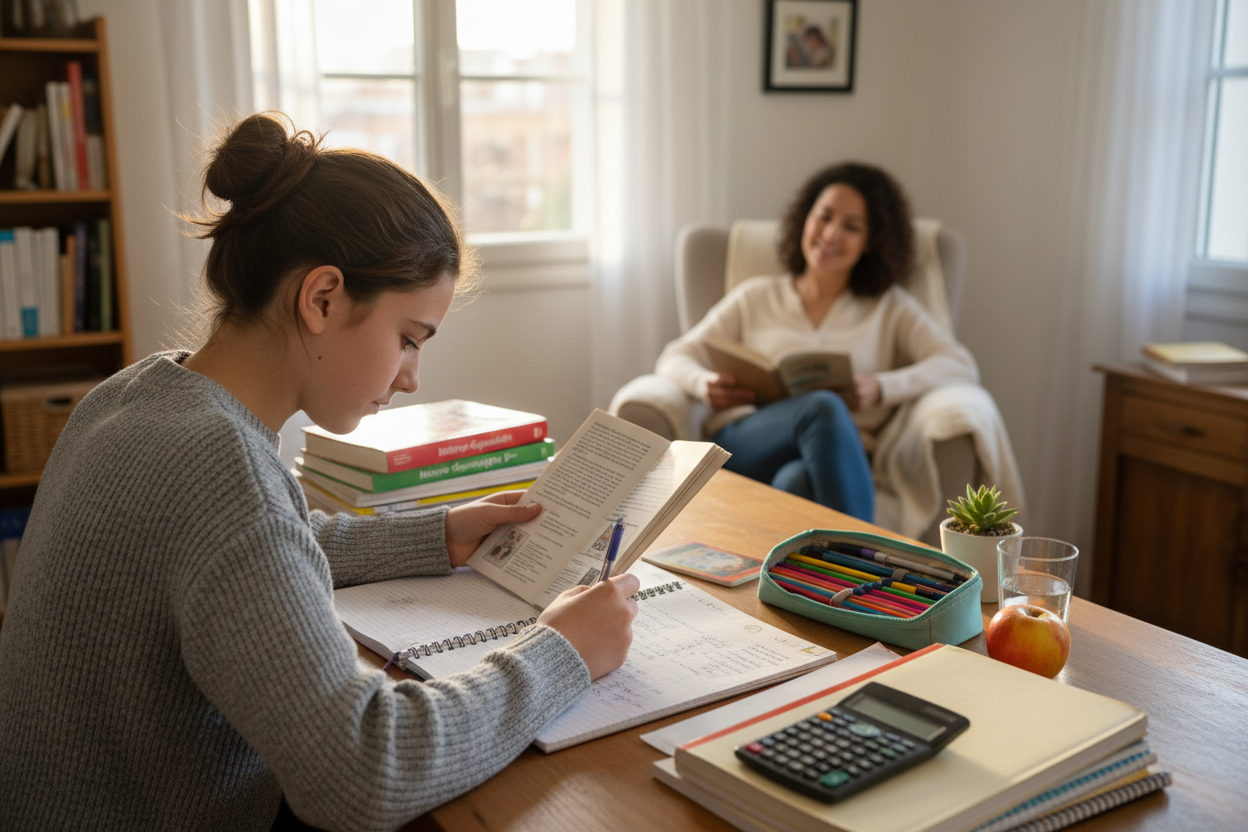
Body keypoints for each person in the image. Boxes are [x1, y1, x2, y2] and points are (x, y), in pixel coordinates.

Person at [0, 112, 640, 832]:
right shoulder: (219, 473)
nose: (411, 378)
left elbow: (257, 550)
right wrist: (562, 654)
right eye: (408, 339)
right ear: (322, 298)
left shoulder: (135, 395)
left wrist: (441, 536)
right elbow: (363, 773)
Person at [655, 162, 978, 521]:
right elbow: (674, 356)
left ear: (872, 241)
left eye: (851, 226)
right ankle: (863, 567)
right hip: (746, 445)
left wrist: (880, 388)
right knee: (821, 407)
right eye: (823, 217)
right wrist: (704, 384)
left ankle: (802, 575)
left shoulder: (889, 306)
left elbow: (959, 363)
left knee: (794, 481)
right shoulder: (756, 296)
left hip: (836, 459)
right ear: (804, 220)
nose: (832, 233)